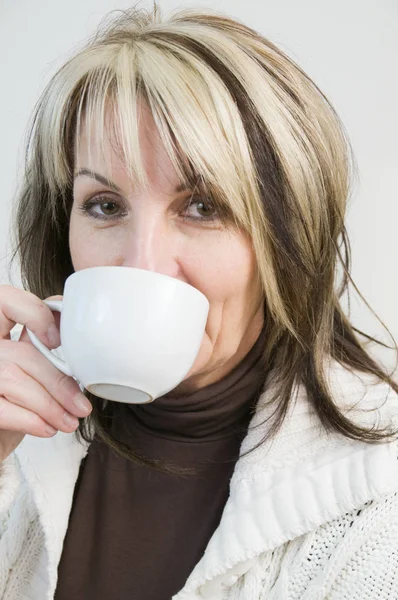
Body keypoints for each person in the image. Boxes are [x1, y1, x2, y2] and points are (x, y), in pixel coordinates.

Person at [0, 4, 397, 599]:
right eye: (105, 205)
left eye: (203, 207)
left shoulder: (378, 509)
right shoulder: (19, 426)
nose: (143, 264)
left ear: (287, 237)